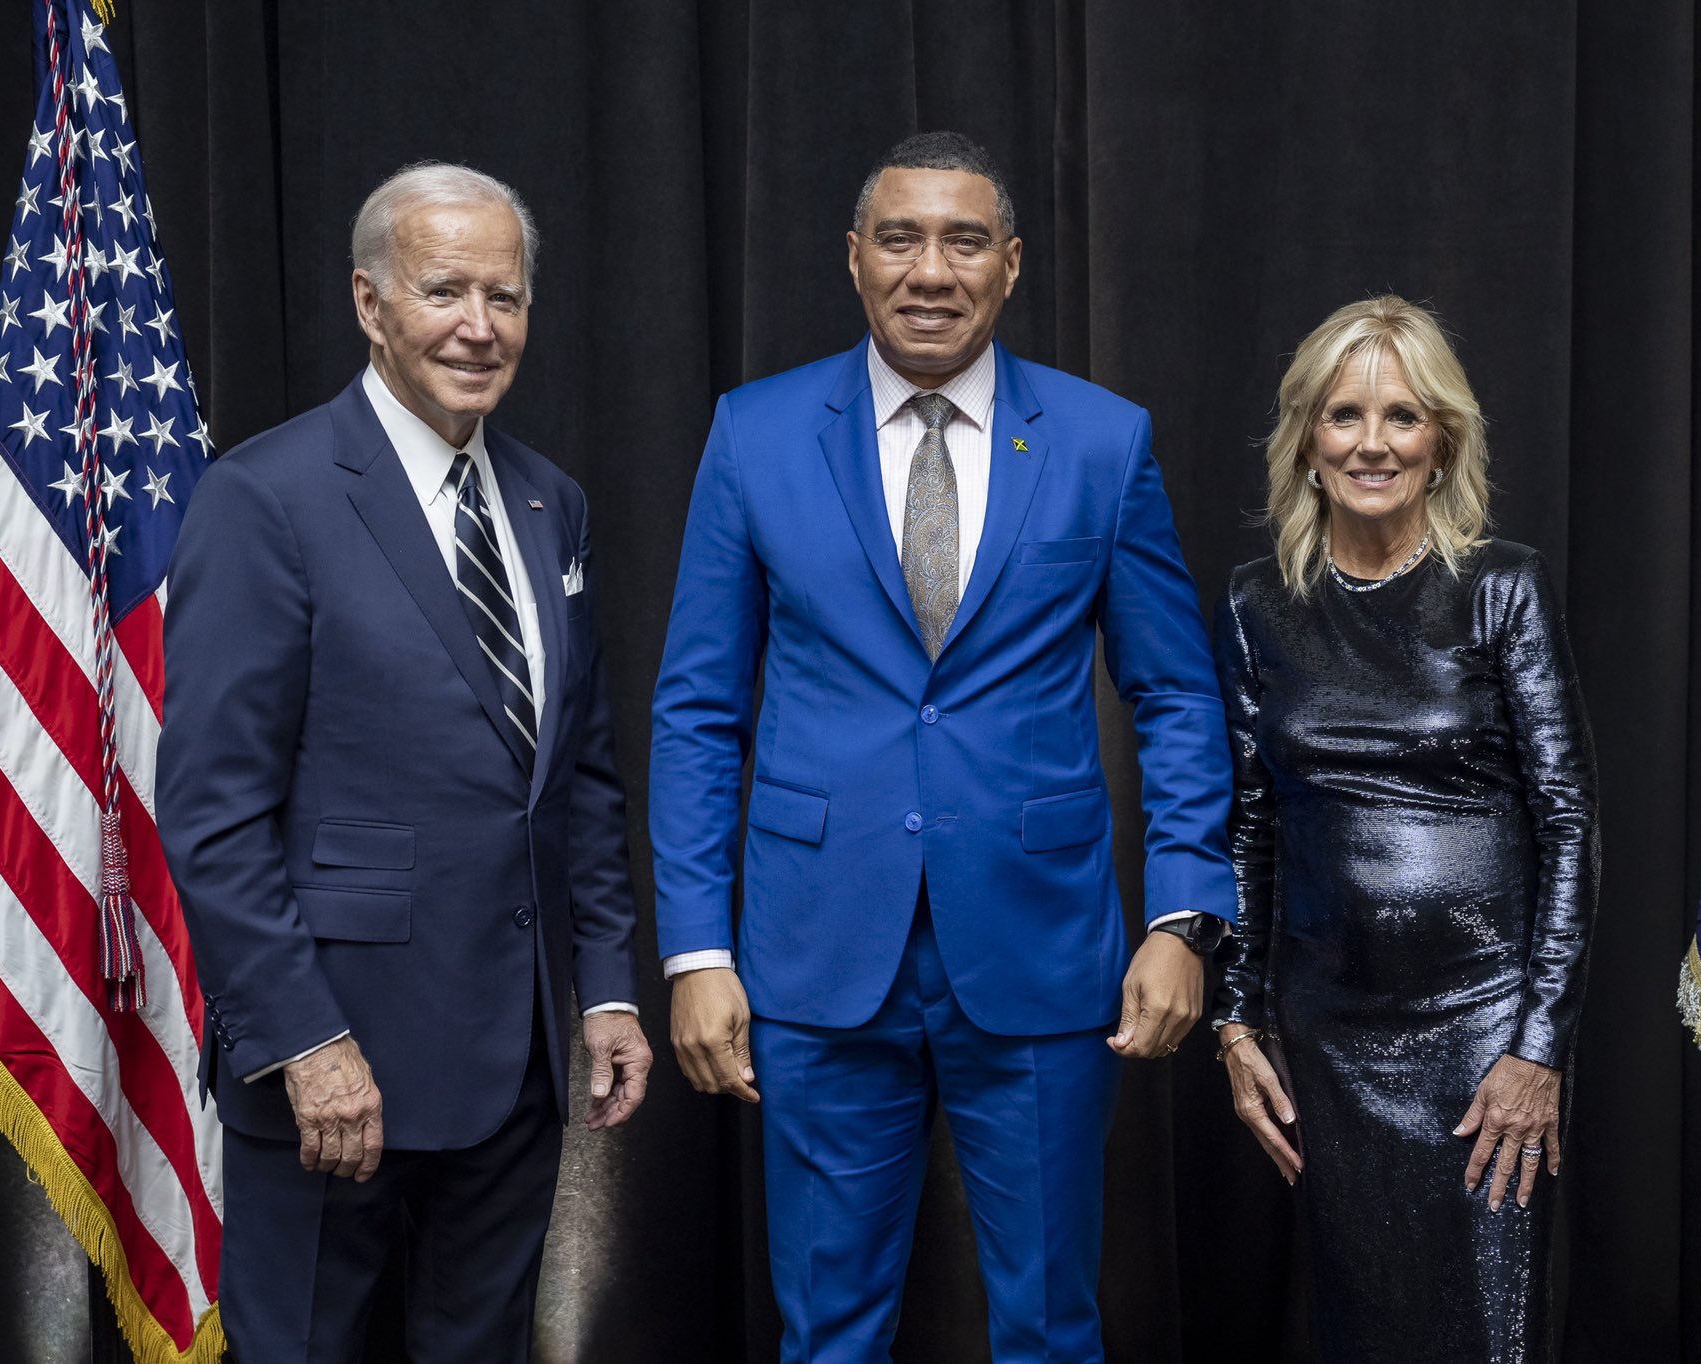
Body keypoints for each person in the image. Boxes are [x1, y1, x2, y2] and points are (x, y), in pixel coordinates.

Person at [651, 130, 1235, 1362]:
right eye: (901, 238)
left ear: (1010, 265)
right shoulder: (752, 435)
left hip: (1039, 951)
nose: (932, 269)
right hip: (813, 961)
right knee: (827, 1331)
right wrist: (697, 946)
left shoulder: (1098, 440)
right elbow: (698, 708)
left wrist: (1182, 919)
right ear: (853, 260)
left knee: (1047, 1324)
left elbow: (1177, 694)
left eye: (963, 240)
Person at [156, 162, 651, 1362]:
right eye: (445, 291)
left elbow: (576, 773)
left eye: (507, 295)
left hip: (520, 1059)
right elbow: (212, 810)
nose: (480, 326)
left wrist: (608, 984)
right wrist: (302, 1040)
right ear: (370, 302)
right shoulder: (262, 496)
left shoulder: (551, 503)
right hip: (340, 1056)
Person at [1210, 296, 1597, 1362]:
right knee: (1355, 1325)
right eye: (1342, 415)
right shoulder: (1255, 604)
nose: (1369, 442)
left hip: (1482, 1028)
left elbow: (1567, 819)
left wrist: (1536, 1042)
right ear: (1305, 440)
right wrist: (1234, 1022)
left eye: (1401, 416)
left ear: (1441, 444)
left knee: (1483, 1326)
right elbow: (1243, 824)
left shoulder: (1499, 587)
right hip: (1325, 1035)